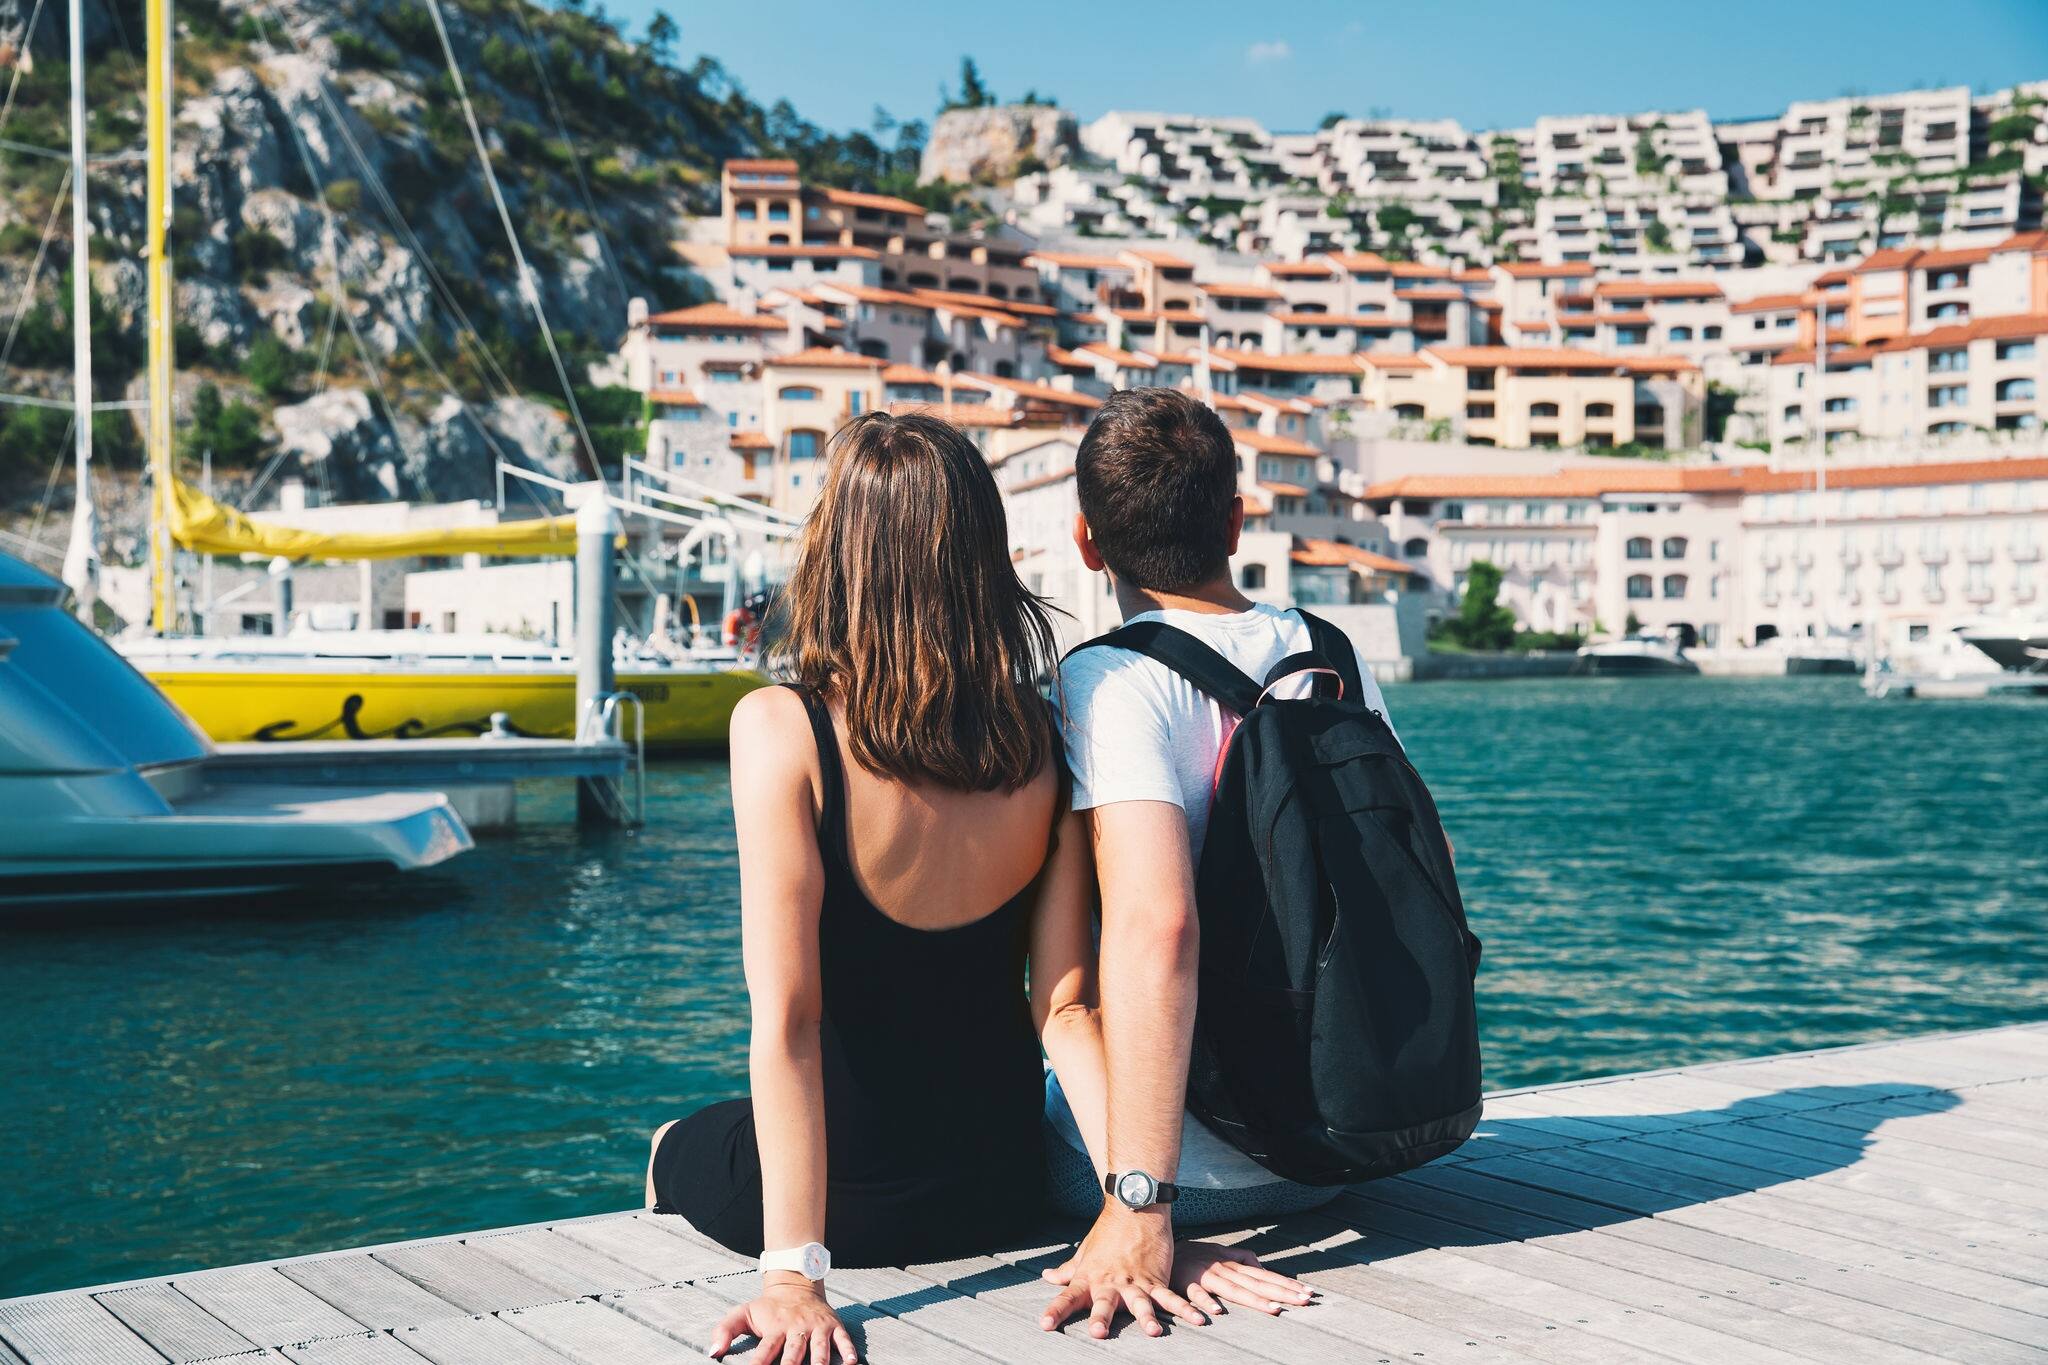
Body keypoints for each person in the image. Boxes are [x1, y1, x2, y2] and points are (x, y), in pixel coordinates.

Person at [645, 413, 1309, 1365]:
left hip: (851, 1206)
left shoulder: (781, 728)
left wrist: (793, 1272)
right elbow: (1067, 1007)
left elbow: (789, 1019)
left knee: (674, 1140)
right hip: (1008, 1183)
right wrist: (1143, 1208)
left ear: (836, 551)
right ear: (982, 554)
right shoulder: (1041, 736)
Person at [1039, 388, 1398, 1338]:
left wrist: (1142, 1202)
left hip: (1184, 1180)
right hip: (1345, 1148)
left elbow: (1161, 927)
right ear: (1237, 524)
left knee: (1030, 1066)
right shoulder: (1330, 656)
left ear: (1086, 540)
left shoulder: (1106, 676)